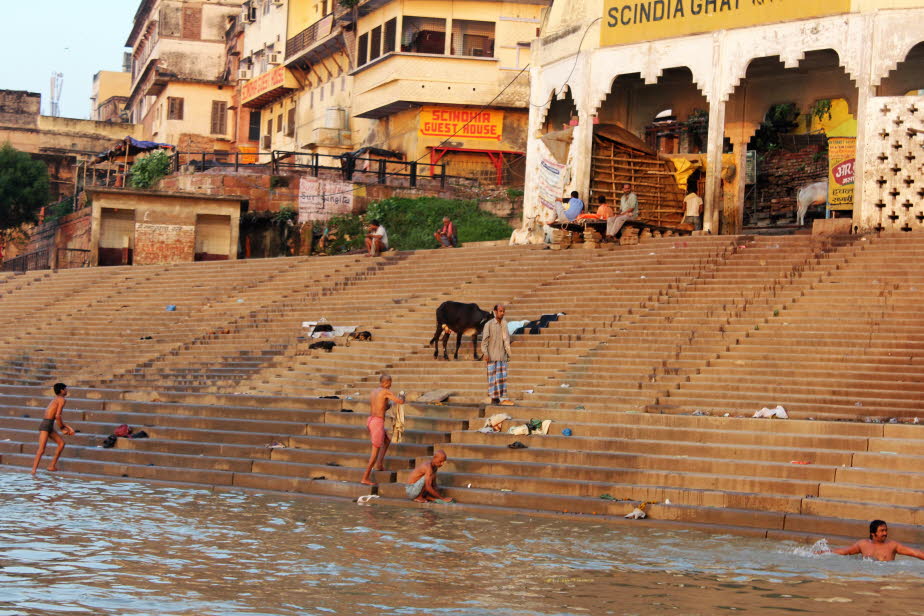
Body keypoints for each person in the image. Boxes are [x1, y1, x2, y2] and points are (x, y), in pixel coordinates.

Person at [360, 374, 405, 485]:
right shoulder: (385, 391)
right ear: (386, 382)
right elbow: (400, 401)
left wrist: (388, 405)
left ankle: (379, 465)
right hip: (377, 423)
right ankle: (365, 477)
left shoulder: (374, 391)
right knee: (374, 453)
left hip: (370, 420)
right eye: (390, 383)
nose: (390, 385)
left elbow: (382, 407)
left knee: (387, 440)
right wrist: (403, 396)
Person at [31, 383, 74, 475]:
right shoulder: (62, 399)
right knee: (41, 449)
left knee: (61, 443)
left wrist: (67, 427)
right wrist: (62, 428)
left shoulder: (55, 399)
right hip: (46, 425)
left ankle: (51, 466)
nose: (66, 391)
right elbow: (58, 416)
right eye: (65, 389)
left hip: (48, 424)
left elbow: (56, 417)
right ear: (62, 390)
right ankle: (33, 471)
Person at [829, 520, 924, 561]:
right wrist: (823, 552)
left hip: (885, 578)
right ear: (873, 533)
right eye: (882, 531)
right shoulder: (863, 544)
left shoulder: (893, 545)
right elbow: (845, 551)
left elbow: (915, 553)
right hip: (868, 577)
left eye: (886, 530)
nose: (885, 533)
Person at [481, 304, 513, 406]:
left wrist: (508, 354)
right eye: (500, 311)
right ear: (495, 312)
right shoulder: (489, 324)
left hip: (502, 356)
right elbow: (484, 341)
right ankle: (494, 398)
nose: (502, 313)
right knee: (492, 378)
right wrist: (485, 353)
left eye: (503, 311)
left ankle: (502, 398)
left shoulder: (504, 324)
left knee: (502, 378)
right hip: (491, 356)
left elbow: (506, 340)